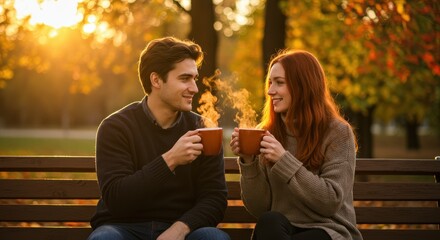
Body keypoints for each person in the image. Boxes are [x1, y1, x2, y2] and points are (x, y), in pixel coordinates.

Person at [87, 37, 230, 240]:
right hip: (123, 228)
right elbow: (117, 200)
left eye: (194, 79)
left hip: (183, 230)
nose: (194, 88)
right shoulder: (116, 127)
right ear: (156, 80)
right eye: (184, 79)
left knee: (213, 238)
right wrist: (171, 159)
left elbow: (214, 198)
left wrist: (178, 230)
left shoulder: (204, 129)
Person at [230, 50, 363, 240]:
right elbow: (259, 208)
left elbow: (329, 201)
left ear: (303, 86)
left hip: (328, 231)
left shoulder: (337, 132)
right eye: (270, 82)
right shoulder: (266, 132)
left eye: (279, 82)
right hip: (282, 230)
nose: (270, 91)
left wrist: (283, 159)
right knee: (269, 221)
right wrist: (248, 161)